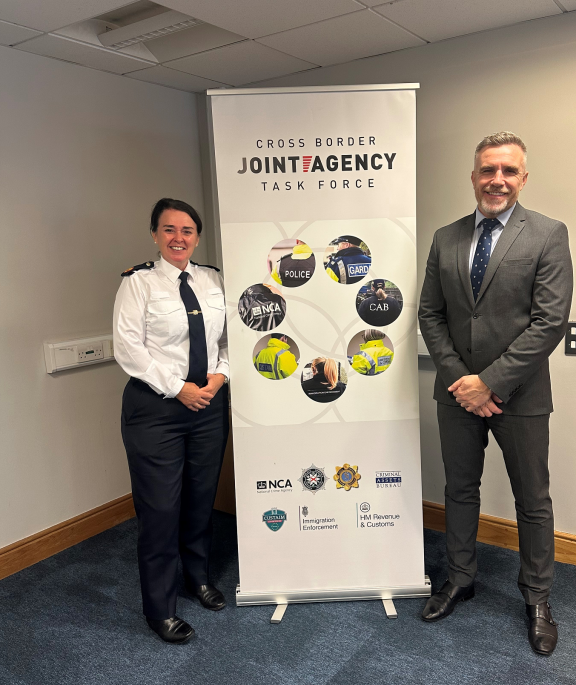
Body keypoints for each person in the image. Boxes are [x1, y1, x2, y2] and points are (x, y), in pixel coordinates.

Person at [418, 132, 573, 656]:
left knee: (533, 501)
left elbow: (550, 322)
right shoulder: (447, 237)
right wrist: (464, 381)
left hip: (521, 396)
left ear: (523, 178)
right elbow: (430, 314)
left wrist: (490, 382)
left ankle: (537, 598)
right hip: (456, 393)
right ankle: (460, 579)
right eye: (488, 170)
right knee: (459, 491)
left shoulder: (549, 234)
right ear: (474, 175)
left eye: (508, 171)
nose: (497, 180)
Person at [113, 198, 230, 645]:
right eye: (168, 230)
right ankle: (159, 609)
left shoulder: (213, 279)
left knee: (201, 499)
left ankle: (197, 578)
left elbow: (228, 339)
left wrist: (218, 378)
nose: (178, 238)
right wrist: (178, 386)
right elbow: (128, 349)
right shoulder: (138, 283)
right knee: (160, 510)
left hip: (208, 402)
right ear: (155, 235)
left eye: (187, 230)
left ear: (197, 236)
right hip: (156, 409)